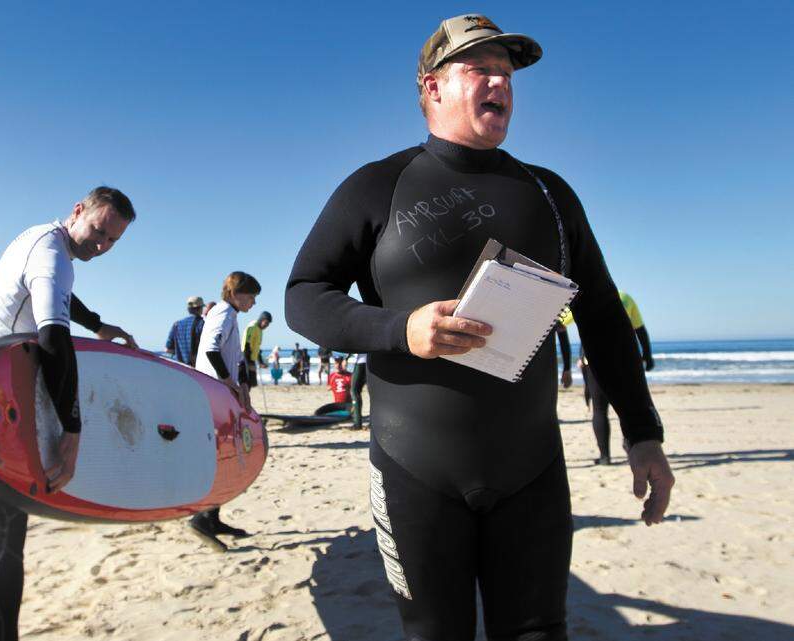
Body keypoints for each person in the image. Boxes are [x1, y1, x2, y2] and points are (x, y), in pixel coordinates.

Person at [284, 14, 674, 640]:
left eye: (507, 73)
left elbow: (601, 316)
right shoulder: (375, 187)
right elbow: (305, 295)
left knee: (541, 632)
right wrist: (399, 330)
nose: (501, 83)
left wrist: (643, 433)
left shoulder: (550, 195)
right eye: (480, 69)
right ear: (431, 87)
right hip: (415, 471)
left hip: (532, 469)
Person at [0, 187, 138, 641]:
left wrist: (96, 324)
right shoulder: (53, 256)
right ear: (78, 210)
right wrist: (71, 427)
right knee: (6, 528)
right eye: (98, 231)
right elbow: (52, 339)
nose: (101, 245)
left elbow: (56, 297)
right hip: (6, 402)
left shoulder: (37, 238)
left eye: (112, 241)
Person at [189, 271, 261, 551]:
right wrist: (228, 381)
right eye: (250, 296)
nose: (253, 302)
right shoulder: (221, 312)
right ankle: (201, 518)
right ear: (234, 293)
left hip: (222, 394)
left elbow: (237, 356)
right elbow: (210, 350)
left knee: (227, 457)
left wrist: (242, 382)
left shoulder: (230, 316)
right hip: (213, 394)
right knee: (220, 457)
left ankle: (212, 517)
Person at [577, 290, 655, 465]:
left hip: (595, 361)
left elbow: (560, 322)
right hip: (625, 361)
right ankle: (630, 447)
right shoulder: (626, 297)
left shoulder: (585, 295)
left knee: (599, 409)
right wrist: (648, 356)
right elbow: (640, 329)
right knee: (626, 407)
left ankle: (605, 456)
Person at [165, 295, 205, 366]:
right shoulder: (202, 323)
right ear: (200, 308)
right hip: (197, 369)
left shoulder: (176, 325)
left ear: (188, 309)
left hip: (181, 369)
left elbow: (168, 349)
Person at [243, 311, 273, 386]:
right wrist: (249, 363)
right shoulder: (252, 326)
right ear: (261, 319)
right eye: (266, 323)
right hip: (245, 358)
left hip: (252, 359)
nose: (266, 325)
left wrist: (261, 362)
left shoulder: (260, 331)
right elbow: (246, 345)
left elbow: (257, 349)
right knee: (246, 384)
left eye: (268, 324)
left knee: (253, 383)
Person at [349, 353, 368, 430]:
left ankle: (357, 423)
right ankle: (373, 423)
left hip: (361, 361)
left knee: (354, 391)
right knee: (373, 392)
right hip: (372, 360)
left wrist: (346, 358)